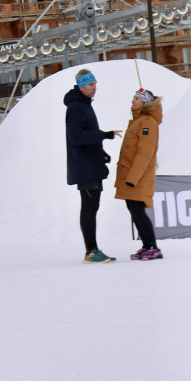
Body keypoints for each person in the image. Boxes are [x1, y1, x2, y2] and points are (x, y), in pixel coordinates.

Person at [64, 69, 122, 263]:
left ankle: (93, 249)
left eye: (95, 83)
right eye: (90, 85)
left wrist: (101, 152)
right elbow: (76, 137)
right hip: (84, 167)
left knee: (93, 206)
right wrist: (104, 135)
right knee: (88, 208)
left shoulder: (84, 105)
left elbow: (87, 134)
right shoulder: (76, 107)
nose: (94, 87)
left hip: (90, 163)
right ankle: (90, 251)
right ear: (81, 86)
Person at [115, 88, 163, 261]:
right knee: (133, 209)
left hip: (138, 177)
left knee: (138, 209)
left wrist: (133, 178)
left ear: (145, 102)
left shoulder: (148, 122)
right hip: (131, 175)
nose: (133, 100)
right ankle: (146, 245)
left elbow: (145, 153)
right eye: (133, 97)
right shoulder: (139, 120)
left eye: (137, 98)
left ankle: (153, 247)